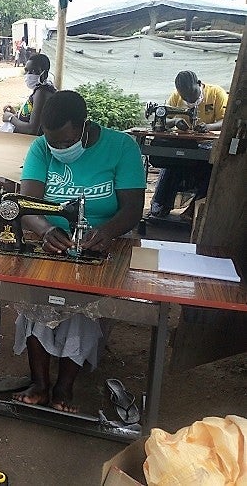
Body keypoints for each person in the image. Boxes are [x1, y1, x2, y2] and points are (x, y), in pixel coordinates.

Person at [12, 90, 146, 412]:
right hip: (53, 241)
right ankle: (41, 383)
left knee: (82, 301)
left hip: (101, 241)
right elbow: (27, 206)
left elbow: (132, 208)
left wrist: (108, 231)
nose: (57, 149)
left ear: (84, 126)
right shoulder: (41, 148)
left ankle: (64, 386)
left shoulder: (121, 148)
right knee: (38, 296)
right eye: (52, 143)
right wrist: (45, 230)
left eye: (63, 143)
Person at [149, 70, 228, 219]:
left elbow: (226, 120)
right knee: (172, 162)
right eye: (184, 96)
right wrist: (175, 121)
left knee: (212, 167)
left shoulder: (216, 93)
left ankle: (194, 209)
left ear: (199, 84)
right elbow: (165, 119)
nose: (188, 98)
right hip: (185, 144)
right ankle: (160, 204)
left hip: (207, 142)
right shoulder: (176, 97)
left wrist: (209, 127)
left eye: (192, 94)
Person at [1, 53, 57, 135]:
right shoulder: (40, 90)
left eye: (34, 71)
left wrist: (11, 118)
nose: (29, 74)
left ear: (45, 74)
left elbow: (32, 130)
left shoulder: (42, 93)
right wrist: (18, 115)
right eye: (27, 71)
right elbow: (33, 117)